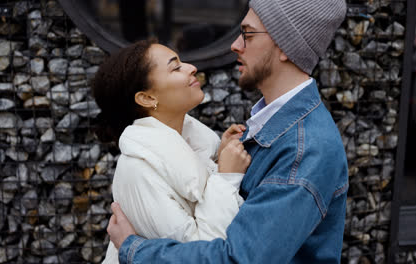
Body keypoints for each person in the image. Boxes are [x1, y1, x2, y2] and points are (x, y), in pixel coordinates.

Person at [107, 0, 349, 263]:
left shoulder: (305, 150)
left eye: (248, 33)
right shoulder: (270, 126)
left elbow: (236, 259)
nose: (235, 44)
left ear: (285, 45)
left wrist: (132, 249)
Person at [91, 39, 252, 264]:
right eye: (175, 67)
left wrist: (217, 158)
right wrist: (226, 178)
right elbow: (203, 254)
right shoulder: (138, 171)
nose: (191, 67)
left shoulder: (189, 146)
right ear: (147, 98)